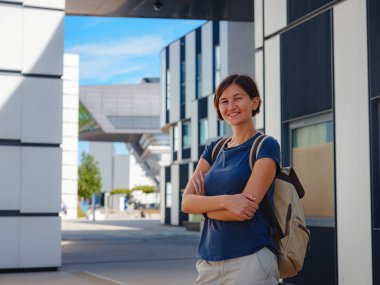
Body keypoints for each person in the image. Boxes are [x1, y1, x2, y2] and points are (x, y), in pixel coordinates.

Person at [182, 74, 281, 285]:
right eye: (224, 101)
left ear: (255, 102)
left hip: (250, 259)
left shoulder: (266, 146)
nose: (231, 106)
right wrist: (227, 201)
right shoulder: (214, 149)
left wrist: (203, 206)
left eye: (238, 98)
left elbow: (245, 210)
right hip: (209, 260)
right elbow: (187, 202)